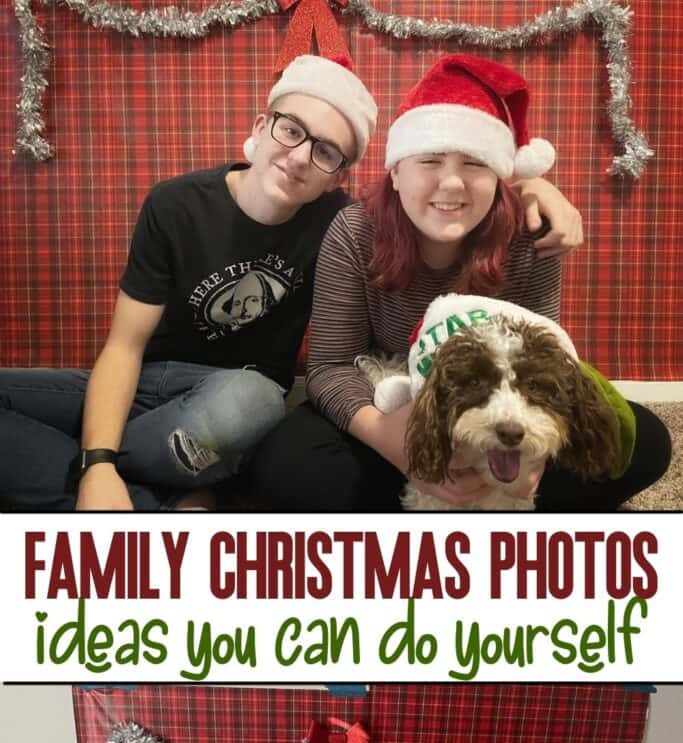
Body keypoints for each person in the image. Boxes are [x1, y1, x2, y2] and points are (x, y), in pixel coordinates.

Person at [0, 55, 583, 512]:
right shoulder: (178, 204)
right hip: (153, 386)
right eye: (291, 130)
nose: (301, 156)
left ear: (342, 173)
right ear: (262, 125)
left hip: (237, 398)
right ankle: (151, 498)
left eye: (327, 150)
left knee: (250, 404)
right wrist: (98, 464)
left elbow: (549, 356)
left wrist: (536, 188)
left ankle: (152, 483)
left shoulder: (339, 219)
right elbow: (124, 346)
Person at [249, 54, 671, 511]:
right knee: (285, 468)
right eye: (429, 160)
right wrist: (398, 446)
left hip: (505, 408)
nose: (451, 183)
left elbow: (546, 363)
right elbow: (330, 368)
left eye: (474, 163)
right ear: (396, 171)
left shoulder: (531, 235)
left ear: (498, 174)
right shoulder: (354, 231)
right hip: (398, 409)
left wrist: (530, 459)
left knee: (643, 442)